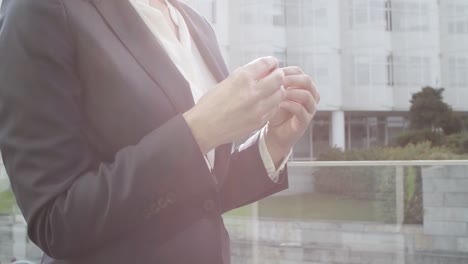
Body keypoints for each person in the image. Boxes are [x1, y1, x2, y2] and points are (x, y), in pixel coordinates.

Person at [0, 0, 320, 263]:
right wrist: (199, 129)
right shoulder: (40, 9)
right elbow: (56, 222)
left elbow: (199, 194)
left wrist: (273, 143)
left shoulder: (195, 24)